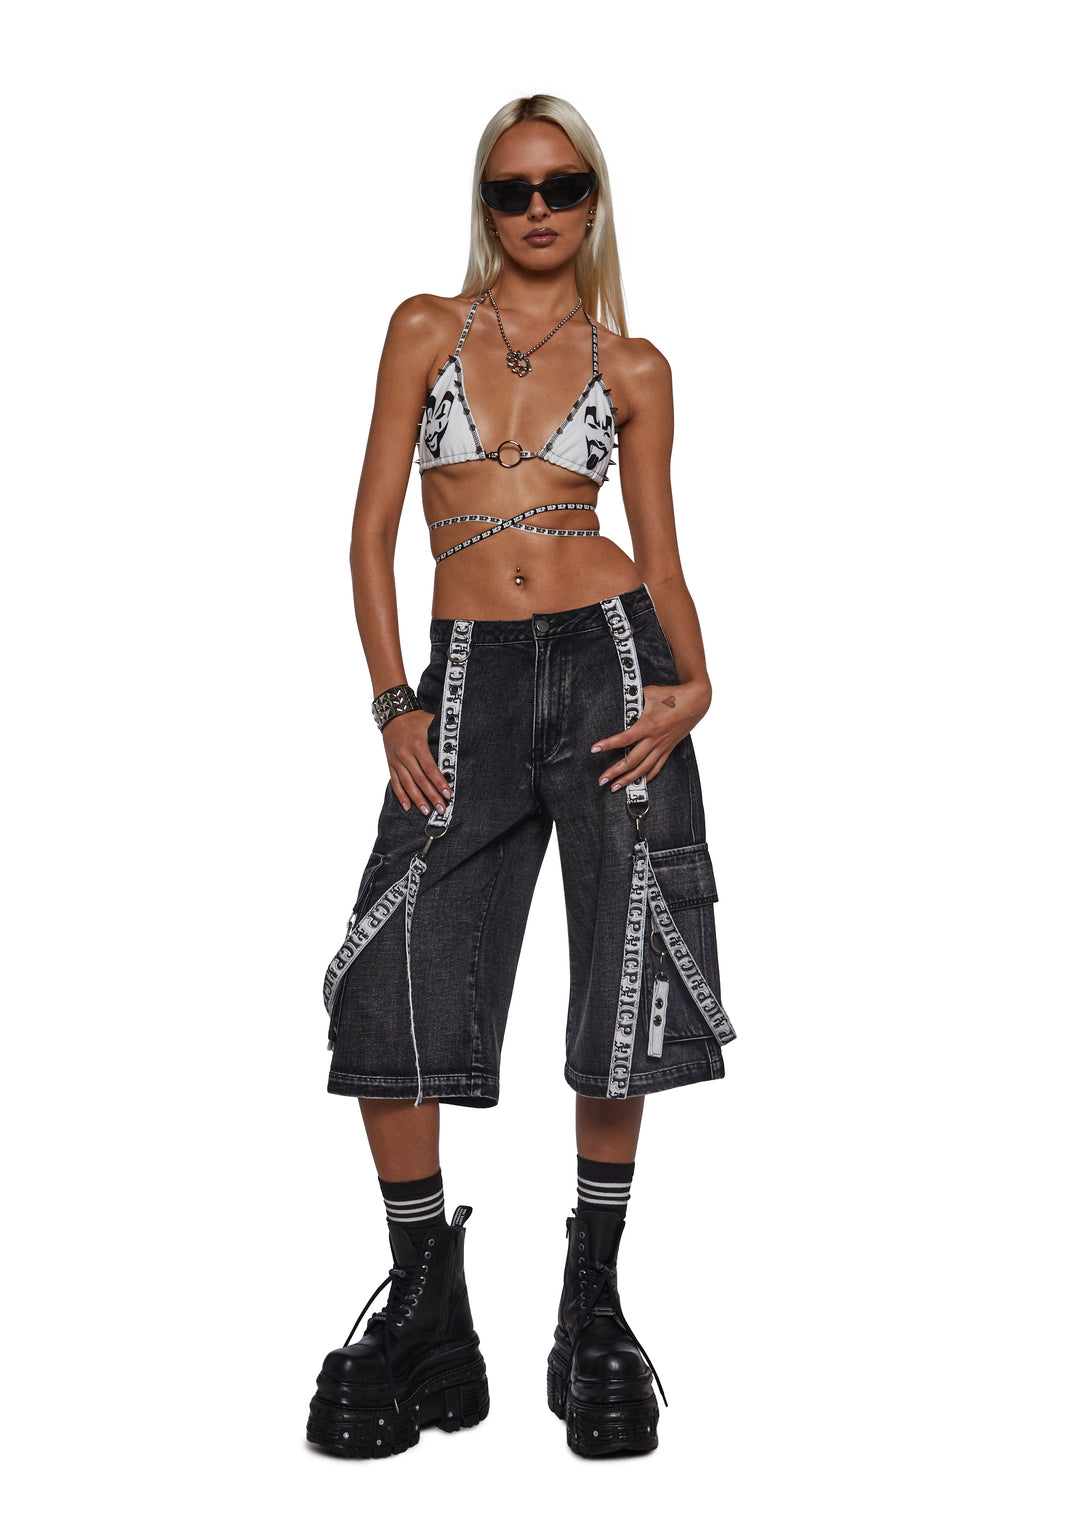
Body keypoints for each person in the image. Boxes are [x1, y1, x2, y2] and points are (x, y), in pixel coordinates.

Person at [306, 94, 736, 1461]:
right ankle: (427, 1302)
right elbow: (371, 531)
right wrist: (393, 702)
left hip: (612, 667)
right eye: (512, 190)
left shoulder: (636, 365)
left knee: (624, 968)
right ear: (485, 205)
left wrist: (697, 682)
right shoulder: (425, 330)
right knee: (391, 971)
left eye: (561, 186)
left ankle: (591, 1305)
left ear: (592, 199)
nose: (538, 209)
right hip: (465, 684)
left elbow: (659, 553)